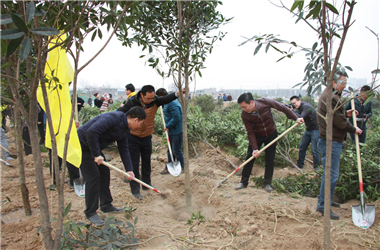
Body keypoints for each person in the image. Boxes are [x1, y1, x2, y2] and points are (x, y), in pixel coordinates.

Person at [77, 106, 145, 226]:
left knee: (104, 172)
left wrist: (129, 170)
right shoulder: (113, 118)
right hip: (81, 146)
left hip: (93, 147)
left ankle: (106, 205)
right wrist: (96, 154)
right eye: (141, 123)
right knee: (93, 177)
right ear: (136, 120)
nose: (141, 126)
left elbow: (124, 149)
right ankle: (91, 212)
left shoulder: (125, 129)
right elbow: (91, 132)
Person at [117, 85, 184, 200]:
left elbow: (165, 99)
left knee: (146, 161)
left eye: (152, 98)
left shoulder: (155, 101)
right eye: (148, 98)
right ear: (142, 95)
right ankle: (135, 189)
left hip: (147, 136)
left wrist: (177, 94)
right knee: (134, 163)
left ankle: (146, 185)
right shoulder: (132, 102)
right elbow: (120, 113)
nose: (150, 100)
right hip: (133, 136)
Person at [316, 71, 362, 220]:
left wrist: (346, 113)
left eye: (345, 83)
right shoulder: (331, 97)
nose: (345, 86)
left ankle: (326, 201)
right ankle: (323, 206)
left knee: (331, 174)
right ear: (333, 83)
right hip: (330, 141)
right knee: (331, 175)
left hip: (331, 139)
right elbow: (339, 122)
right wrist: (354, 129)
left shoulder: (332, 96)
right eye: (343, 83)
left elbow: (335, 115)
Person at [236, 93, 304, 192]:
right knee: (250, 158)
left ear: (251, 102)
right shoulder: (244, 115)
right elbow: (250, 132)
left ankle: (267, 183)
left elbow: (282, 108)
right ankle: (244, 182)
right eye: (241, 107)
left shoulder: (265, 102)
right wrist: (255, 149)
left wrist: (296, 118)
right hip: (257, 136)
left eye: (244, 107)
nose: (243, 109)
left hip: (271, 134)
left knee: (270, 159)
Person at [156, 88, 184, 174]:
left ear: (161, 96)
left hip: (176, 131)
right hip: (172, 131)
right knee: (170, 150)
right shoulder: (167, 103)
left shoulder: (172, 103)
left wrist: (168, 126)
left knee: (176, 150)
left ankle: (182, 167)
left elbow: (176, 117)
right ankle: (169, 167)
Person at [289, 96, 320, 171]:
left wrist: (292, 112)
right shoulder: (298, 108)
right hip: (308, 129)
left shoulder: (306, 107)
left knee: (314, 149)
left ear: (299, 101)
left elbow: (300, 117)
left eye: (295, 103)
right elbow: (294, 116)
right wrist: (290, 111)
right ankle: (300, 164)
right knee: (302, 146)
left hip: (315, 130)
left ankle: (317, 167)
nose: (294, 105)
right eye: (292, 104)